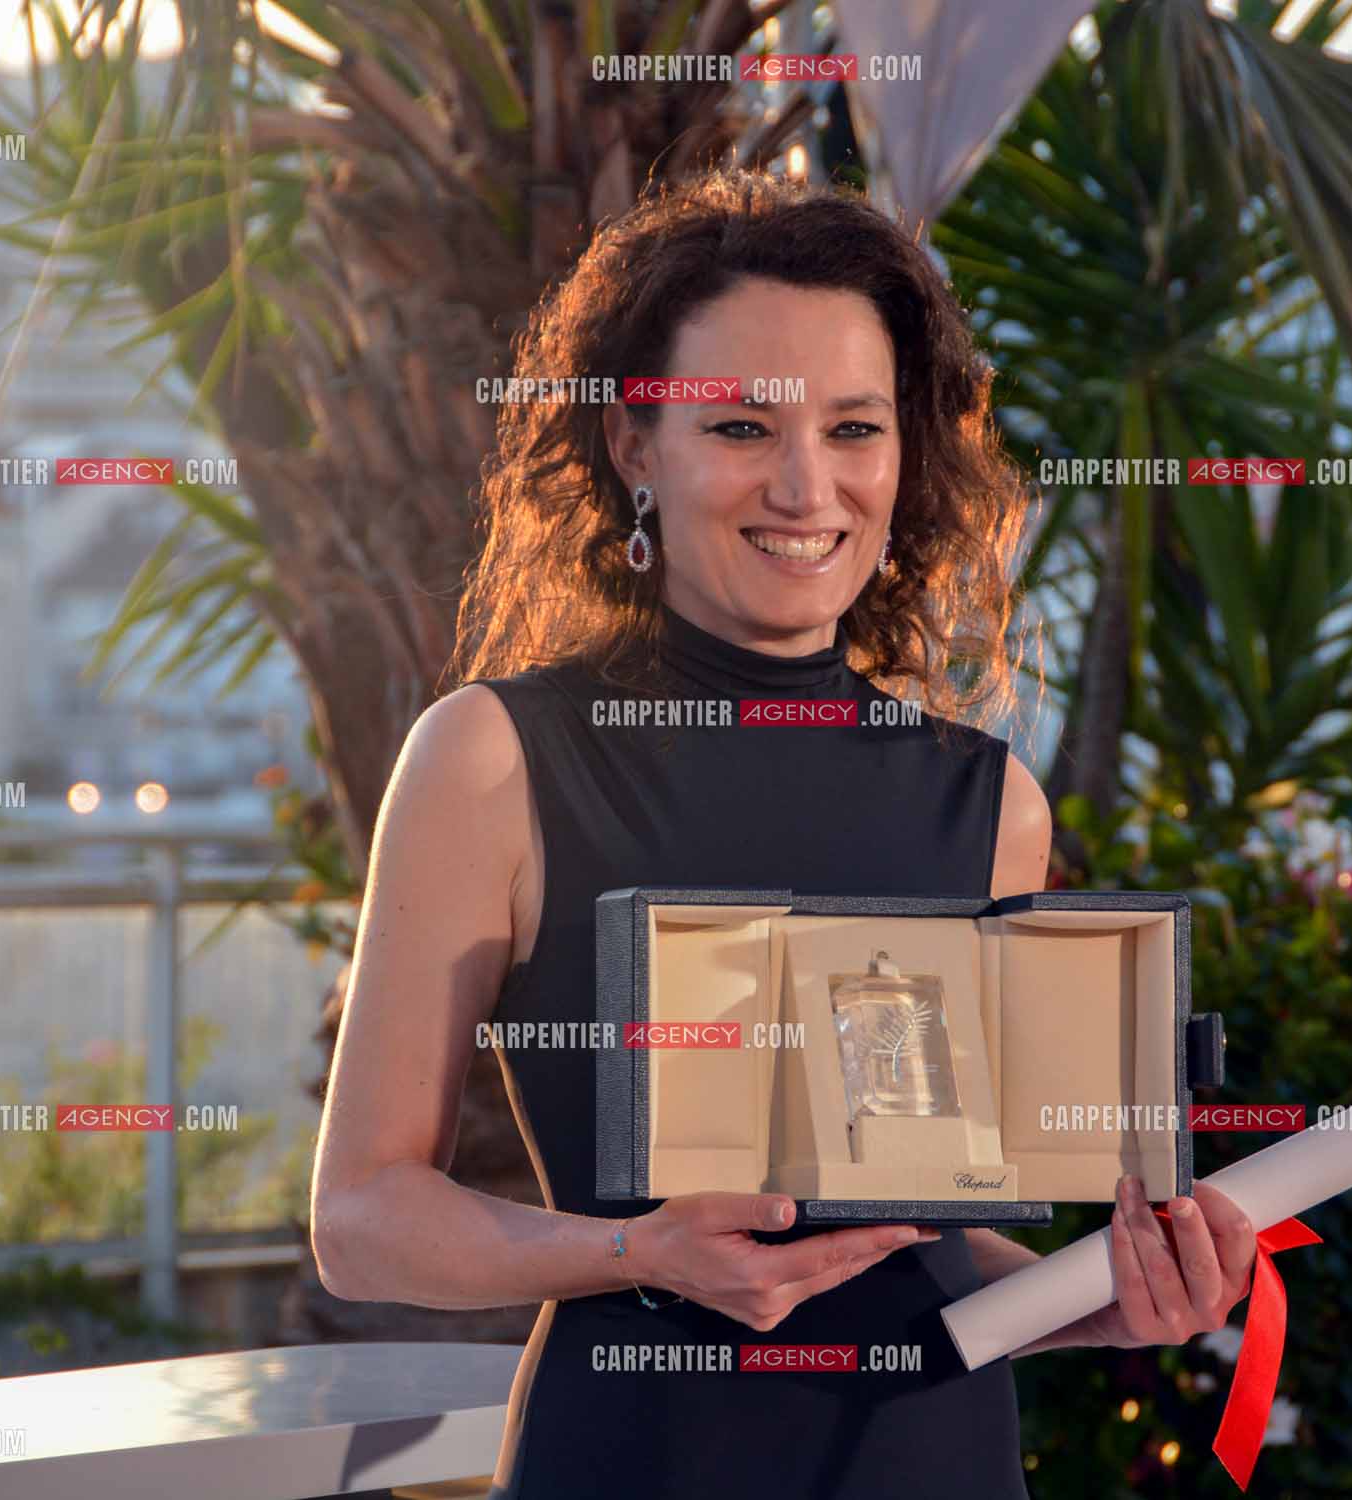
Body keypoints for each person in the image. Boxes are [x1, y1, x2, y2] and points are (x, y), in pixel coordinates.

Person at [310, 167, 1258, 1499]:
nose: (808, 487)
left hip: (935, 1464)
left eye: (855, 428)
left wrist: (1112, 1301)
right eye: (743, 427)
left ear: (906, 454)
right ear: (637, 447)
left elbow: (929, 1241)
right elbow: (362, 1222)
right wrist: (638, 1254)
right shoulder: (495, 760)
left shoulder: (989, 803)